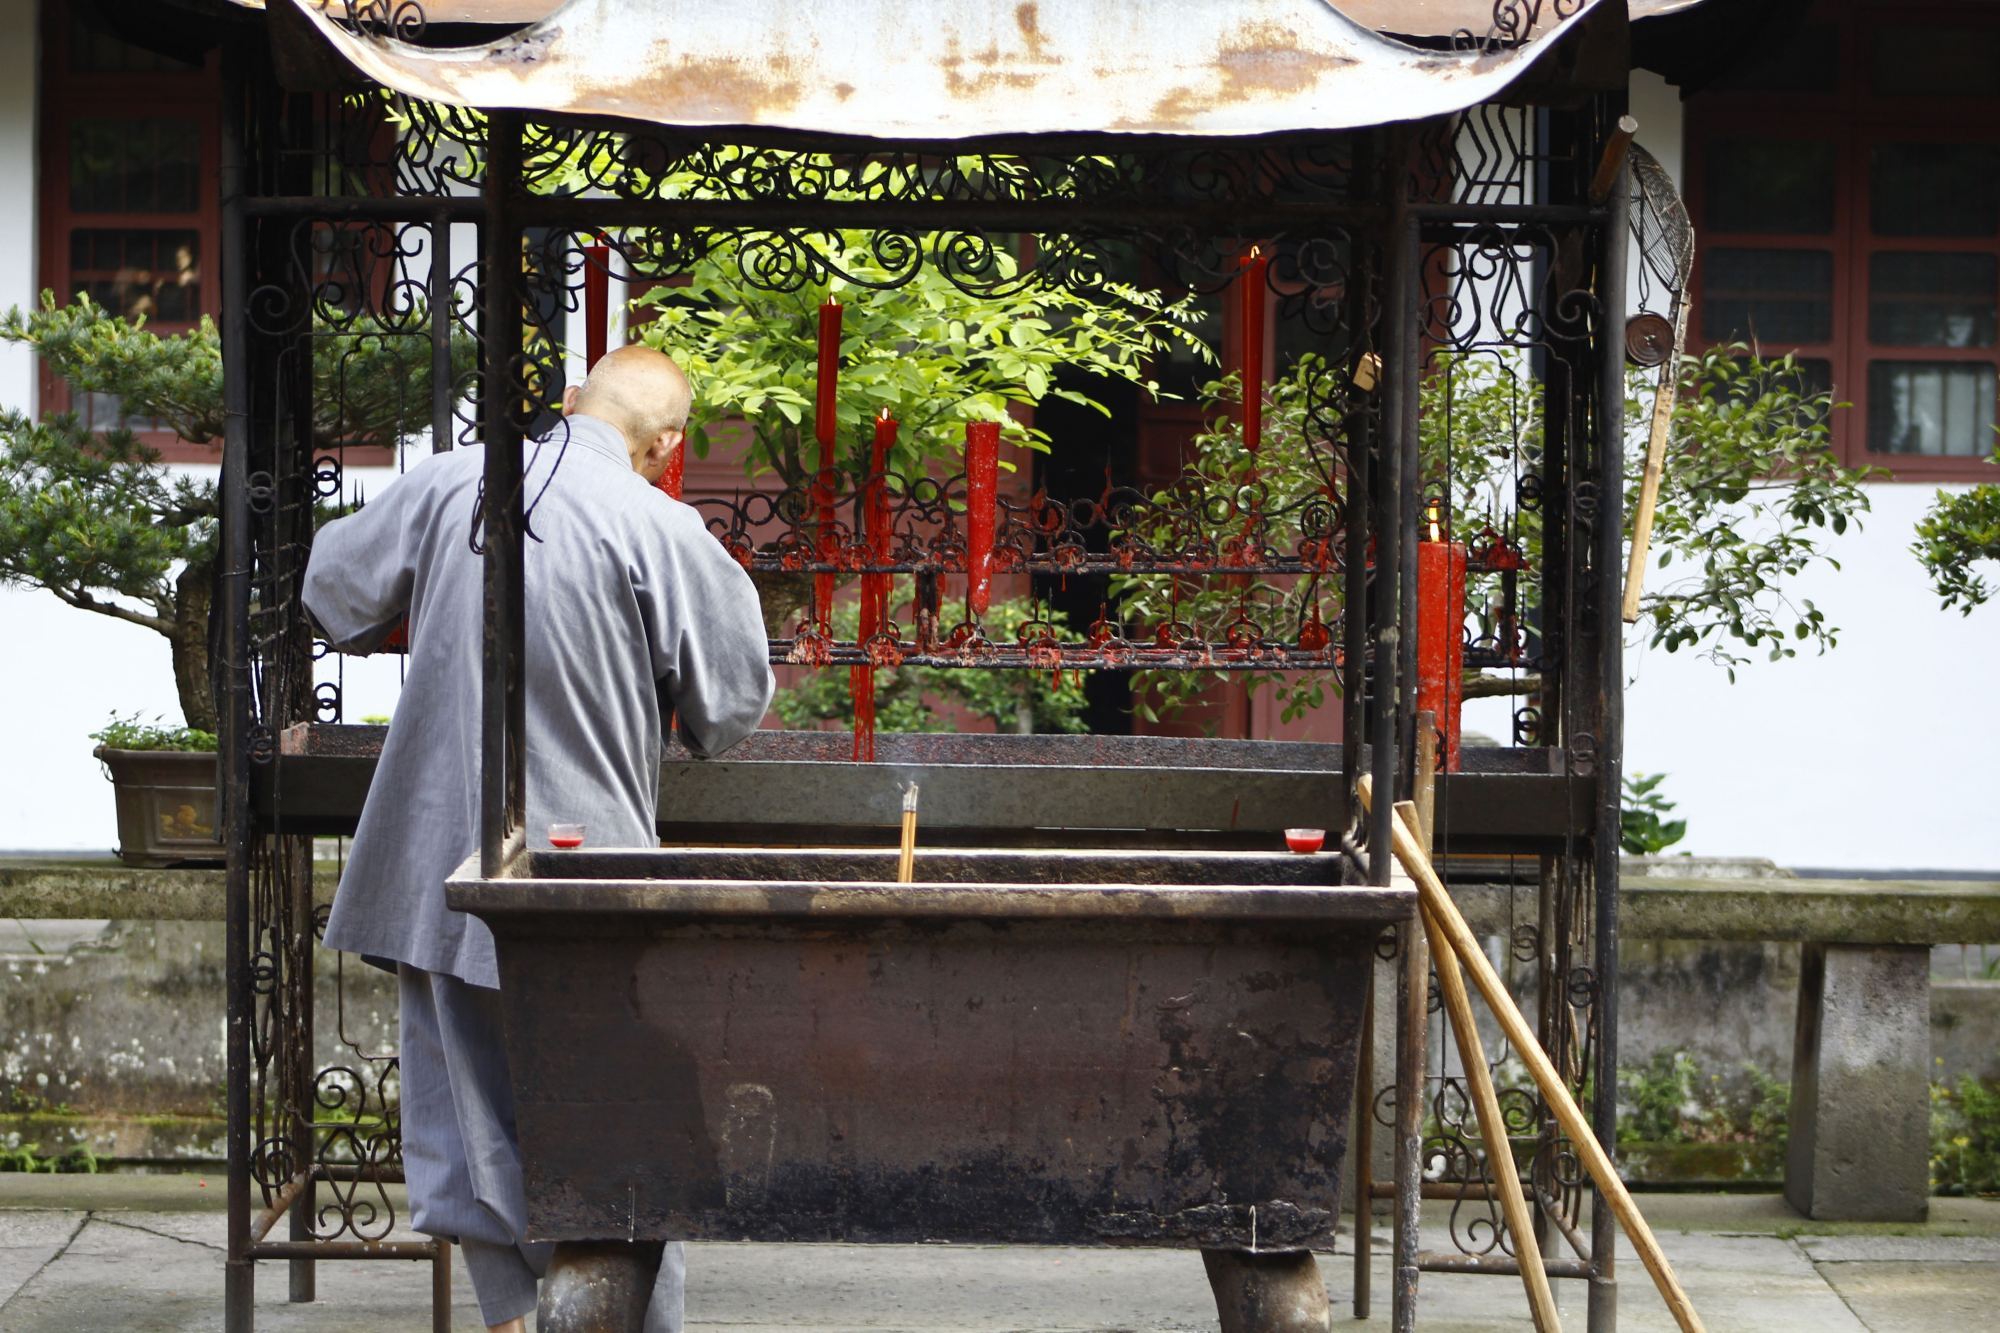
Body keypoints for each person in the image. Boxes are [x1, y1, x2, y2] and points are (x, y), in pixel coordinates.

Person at [303, 346, 775, 1333]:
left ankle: (515, 1318)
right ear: (666, 446)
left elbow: (331, 587)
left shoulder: (449, 482)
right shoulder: (663, 526)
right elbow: (729, 704)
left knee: (463, 1113)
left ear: (567, 405)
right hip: (585, 868)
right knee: (619, 1123)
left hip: (436, 846)